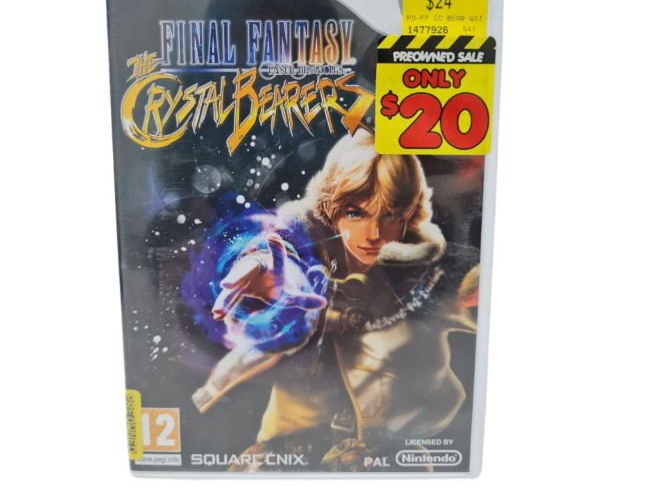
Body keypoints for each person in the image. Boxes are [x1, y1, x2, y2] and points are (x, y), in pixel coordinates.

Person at [192, 130, 479, 471]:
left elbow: (473, 301)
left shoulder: (426, 270)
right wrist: (265, 273)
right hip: (291, 439)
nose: (374, 234)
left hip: (387, 444)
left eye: (390, 215)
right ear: (332, 209)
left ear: (408, 215)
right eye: (356, 213)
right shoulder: (304, 249)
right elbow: (282, 250)